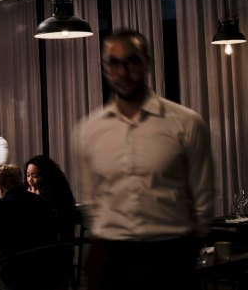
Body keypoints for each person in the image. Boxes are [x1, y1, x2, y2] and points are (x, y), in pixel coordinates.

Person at [74, 29, 215, 290]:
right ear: (104, 68)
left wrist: (184, 251)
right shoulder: (88, 130)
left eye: (131, 60)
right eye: (114, 63)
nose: (122, 72)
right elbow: (92, 201)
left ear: (147, 61)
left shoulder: (186, 123)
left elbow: (203, 198)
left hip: (170, 256)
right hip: (109, 258)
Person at [24, 155, 76, 242]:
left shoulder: (56, 192)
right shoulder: (26, 190)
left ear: (44, 176)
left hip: (51, 241)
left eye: (34, 176)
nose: (30, 180)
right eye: (28, 175)